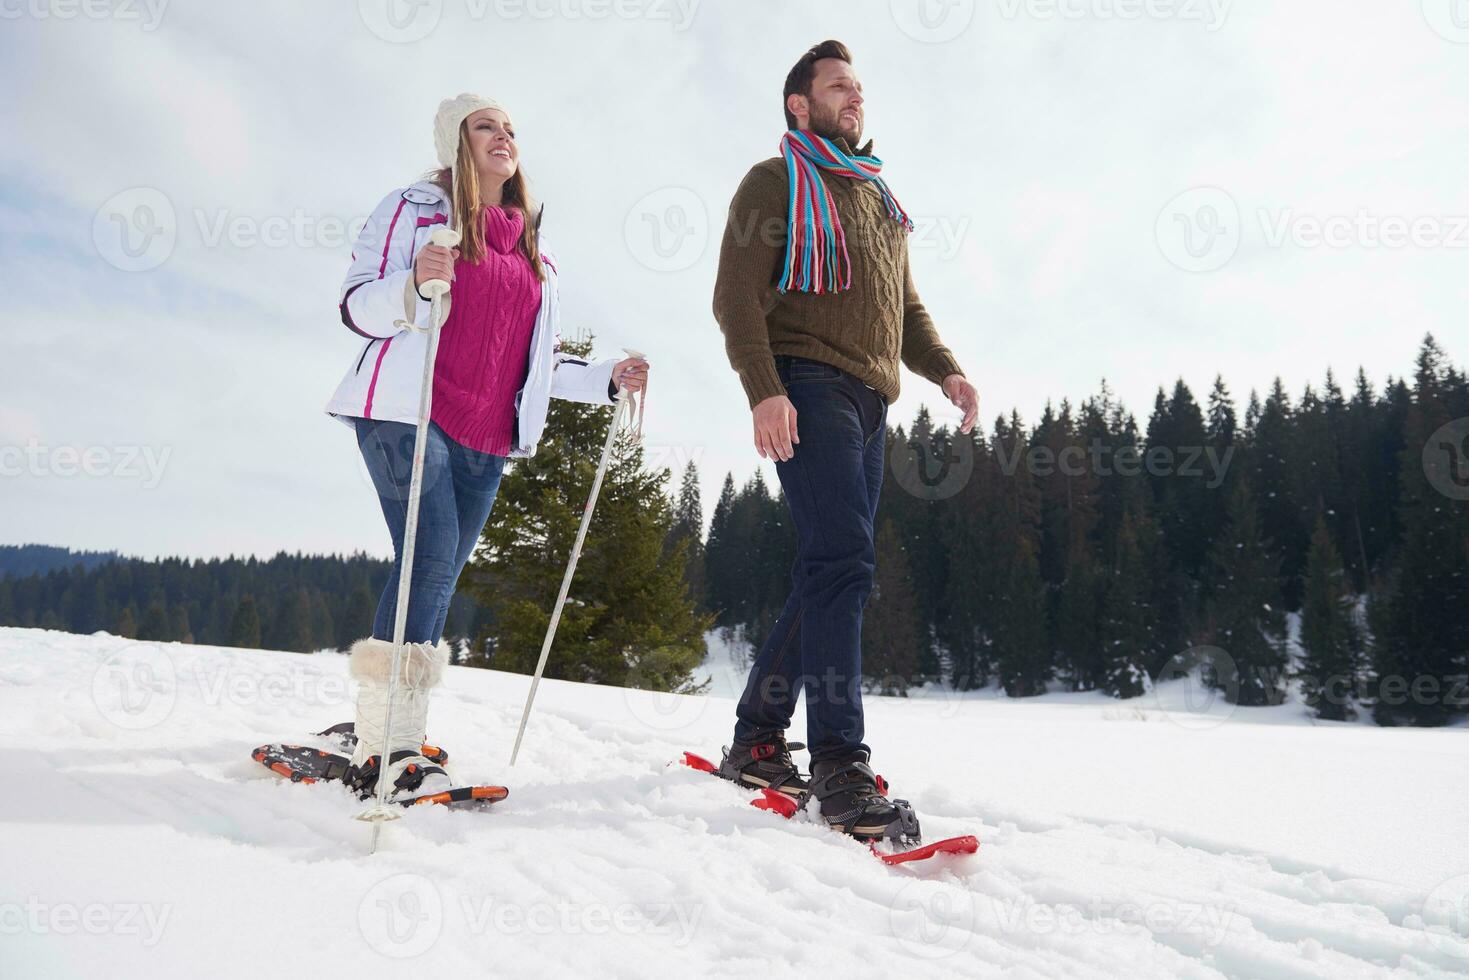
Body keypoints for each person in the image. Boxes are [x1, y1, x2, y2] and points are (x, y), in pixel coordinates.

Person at [323, 93, 649, 803]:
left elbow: (535, 361)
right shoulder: (412, 212)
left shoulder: (532, 247)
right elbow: (355, 305)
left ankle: (381, 727)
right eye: (485, 127)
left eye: (509, 129)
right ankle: (389, 747)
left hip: (486, 437)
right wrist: (412, 284)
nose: (502, 137)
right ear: (455, 143)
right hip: (404, 414)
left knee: (433, 572)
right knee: (432, 556)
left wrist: (605, 380)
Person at [711, 41, 979, 839]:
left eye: (858, 87)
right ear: (800, 103)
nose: (853, 97)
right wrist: (765, 389)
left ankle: (757, 740)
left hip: (870, 400)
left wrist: (946, 372)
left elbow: (904, 308)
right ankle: (837, 763)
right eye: (837, 86)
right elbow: (735, 297)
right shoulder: (775, 181)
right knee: (845, 562)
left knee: (828, 565)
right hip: (807, 382)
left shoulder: (876, 197)